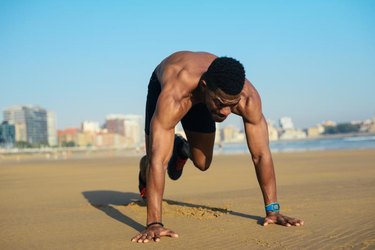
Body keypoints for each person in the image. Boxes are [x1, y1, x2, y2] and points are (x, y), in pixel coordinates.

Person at [131, 51, 304, 243]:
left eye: (232, 105)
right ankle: (145, 166)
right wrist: (154, 224)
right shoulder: (174, 96)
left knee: (203, 163)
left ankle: (181, 148)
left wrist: (273, 210)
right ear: (205, 88)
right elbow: (159, 162)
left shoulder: (248, 99)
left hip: (204, 95)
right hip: (167, 84)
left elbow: (261, 154)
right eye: (221, 104)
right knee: (153, 157)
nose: (226, 113)